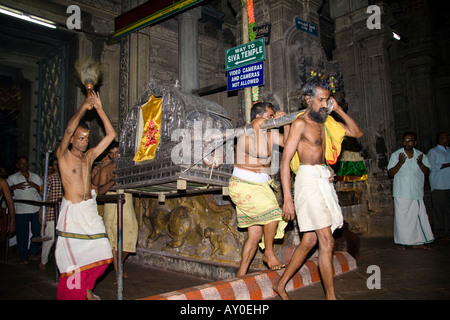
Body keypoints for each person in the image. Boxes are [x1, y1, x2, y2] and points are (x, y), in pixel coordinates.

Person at [273, 76, 363, 300]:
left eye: (327, 100)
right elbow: (285, 161)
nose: (325, 104)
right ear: (308, 99)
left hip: (322, 178)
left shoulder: (326, 123)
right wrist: (287, 198)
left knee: (310, 240)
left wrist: (339, 109)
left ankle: (281, 284)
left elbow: (356, 132)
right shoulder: (300, 124)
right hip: (307, 180)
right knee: (327, 241)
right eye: (321, 100)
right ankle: (331, 297)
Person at [55, 91, 116, 300]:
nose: (83, 141)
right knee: (73, 263)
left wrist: (99, 108)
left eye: (86, 138)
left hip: (89, 213)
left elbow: (111, 136)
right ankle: (79, 293)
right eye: (80, 138)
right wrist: (84, 106)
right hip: (73, 215)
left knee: (105, 253)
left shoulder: (89, 157)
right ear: (72, 139)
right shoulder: (63, 157)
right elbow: (69, 128)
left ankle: (86, 286)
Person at [228, 102, 290, 276]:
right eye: (269, 116)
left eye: (272, 116)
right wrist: (257, 129)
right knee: (273, 214)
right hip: (244, 186)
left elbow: (287, 141)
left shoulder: (269, 134)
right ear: (258, 118)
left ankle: (241, 275)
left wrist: (286, 123)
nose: (272, 119)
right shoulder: (246, 136)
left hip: (260, 186)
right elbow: (263, 156)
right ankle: (268, 253)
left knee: (254, 235)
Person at [98, 140, 138, 283]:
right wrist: (114, 181)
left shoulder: (130, 166)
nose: (115, 156)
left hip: (126, 200)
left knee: (132, 233)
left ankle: (118, 265)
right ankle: (117, 273)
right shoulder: (106, 170)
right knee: (114, 240)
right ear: (108, 155)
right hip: (111, 202)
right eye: (112, 153)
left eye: (117, 152)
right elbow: (100, 191)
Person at [387, 132, 434, 248]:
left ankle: (417, 242)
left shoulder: (421, 156)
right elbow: (390, 172)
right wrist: (400, 163)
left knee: (417, 218)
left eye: (410, 140)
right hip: (401, 192)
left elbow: (428, 172)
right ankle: (403, 242)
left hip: (416, 192)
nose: (407, 143)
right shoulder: (396, 155)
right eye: (405, 140)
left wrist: (420, 164)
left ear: (415, 142)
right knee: (402, 219)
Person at [7, 156, 42, 264]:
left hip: (35, 208)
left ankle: (33, 252)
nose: (24, 165)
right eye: (21, 163)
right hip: (21, 209)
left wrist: (36, 186)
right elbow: (6, 190)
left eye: (25, 163)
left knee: (36, 231)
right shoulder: (12, 178)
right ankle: (23, 255)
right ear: (17, 165)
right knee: (22, 233)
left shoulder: (35, 176)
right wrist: (15, 187)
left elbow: (43, 190)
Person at [39, 157, 63, 270]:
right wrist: (42, 211)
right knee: (50, 238)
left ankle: (61, 262)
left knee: (63, 239)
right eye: (54, 164)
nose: (57, 166)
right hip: (52, 212)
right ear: (52, 166)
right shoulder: (50, 179)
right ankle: (43, 260)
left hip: (64, 212)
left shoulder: (66, 177)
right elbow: (45, 197)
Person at [426, 131, 450, 239]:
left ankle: (448, 230)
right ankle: (440, 231)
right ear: (440, 138)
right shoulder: (433, 152)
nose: (448, 138)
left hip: (448, 184)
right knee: (439, 209)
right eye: (446, 137)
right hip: (439, 185)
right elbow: (430, 167)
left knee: (448, 209)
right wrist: (447, 164)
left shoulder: (448, 150)